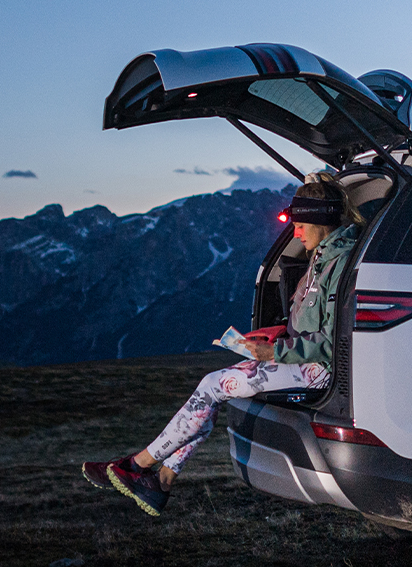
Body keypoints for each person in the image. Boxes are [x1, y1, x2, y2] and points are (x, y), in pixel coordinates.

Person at [82, 174, 363, 516]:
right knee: (209, 389)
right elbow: (310, 321)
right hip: (298, 359)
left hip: (317, 371)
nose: (296, 232)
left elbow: (333, 341)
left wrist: (276, 352)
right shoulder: (320, 258)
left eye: (301, 223)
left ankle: (139, 466)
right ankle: (161, 479)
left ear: (320, 221)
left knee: (213, 387)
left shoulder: (341, 263)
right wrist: (276, 334)